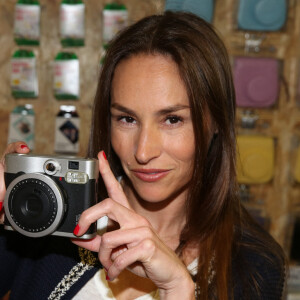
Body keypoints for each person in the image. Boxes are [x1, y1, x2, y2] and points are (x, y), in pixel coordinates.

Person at [0, 11, 286, 300]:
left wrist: (178, 289)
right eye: (126, 119)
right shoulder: (46, 217)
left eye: (172, 119)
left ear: (216, 124)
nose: (143, 151)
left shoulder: (254, 267)